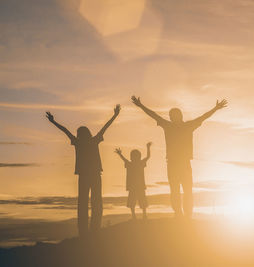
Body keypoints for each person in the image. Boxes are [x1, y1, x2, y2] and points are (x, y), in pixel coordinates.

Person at [131, 96, 227, 218]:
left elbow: (203, 117)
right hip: (174, 163)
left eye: (173, 115)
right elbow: (154, 115)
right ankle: (179, 213)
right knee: (177, 190)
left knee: (185, 190)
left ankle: (186, 214)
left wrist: (215, 108)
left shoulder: (185, 125)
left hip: (183, 163)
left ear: (178, 116)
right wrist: (141, 105)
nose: (172, 117)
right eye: (171, 116)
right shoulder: (172, 125)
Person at [45, 104, 120, 237]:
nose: (78, 135)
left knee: (84, 203)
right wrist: (115, 115)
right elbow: (105, 128)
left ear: (80, 134)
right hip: (95, 174)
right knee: (96, 202)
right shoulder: (93, 140)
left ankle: (84, 231)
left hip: (85, 175)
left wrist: (53, 121)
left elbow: (65, 130)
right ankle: (93, 229)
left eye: (79, 133)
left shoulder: (78, 141)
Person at [115, 142, 152, 220]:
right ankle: (141, 215)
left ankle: (135, 216)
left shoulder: (131, 164)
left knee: (134, 201)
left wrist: (120, 154)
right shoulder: (139, 163)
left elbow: (124, 160)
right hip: (138, 186)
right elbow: (148, 157)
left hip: (134, 186)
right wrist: (148, 147)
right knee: (140, 201)